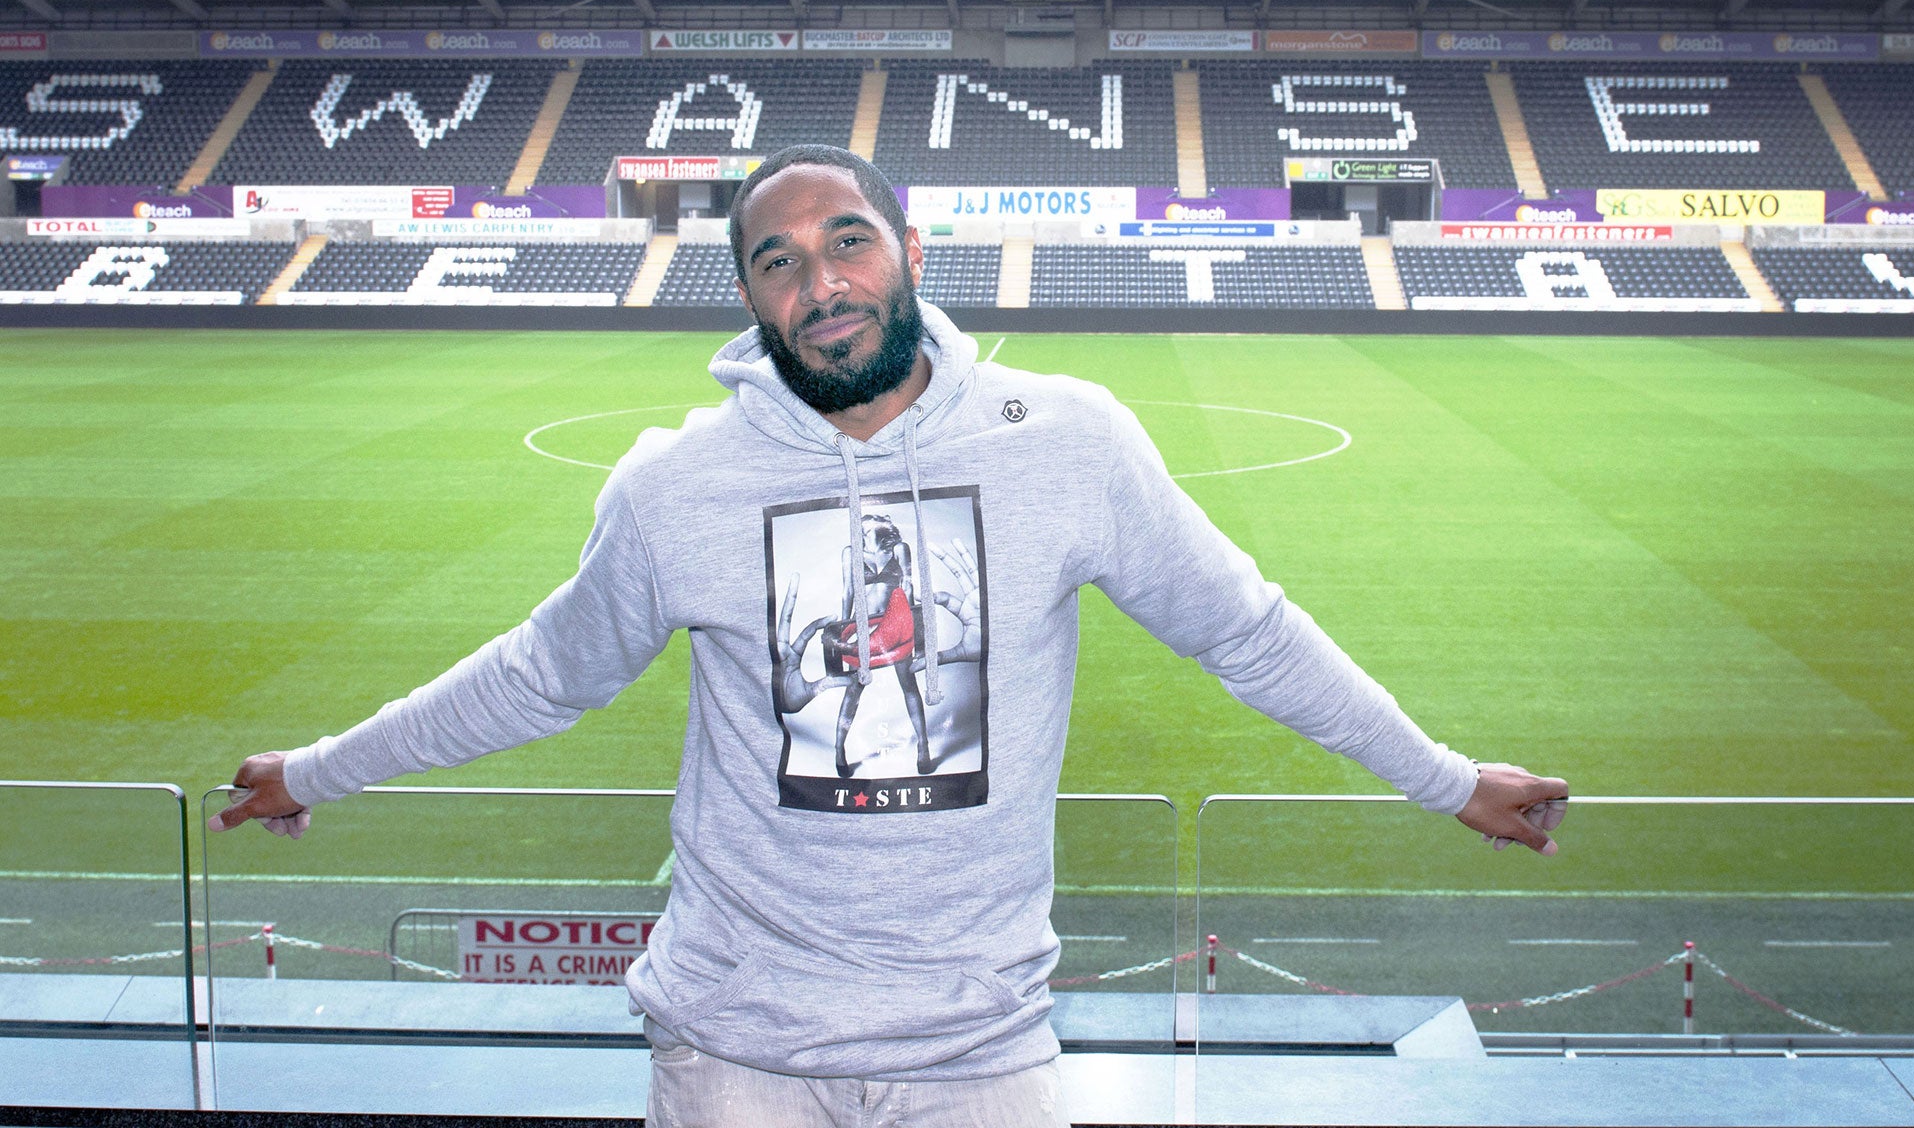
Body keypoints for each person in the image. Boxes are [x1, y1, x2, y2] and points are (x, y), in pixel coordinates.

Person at [213, 143, 1568, 1128]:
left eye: (848, 239)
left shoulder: (1070, 442)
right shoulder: (675, 487)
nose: (822, 279)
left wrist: (1448, 781)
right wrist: (317, 769)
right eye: (778, 259)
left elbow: (1248, 633)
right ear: (750, 297)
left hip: (983, 1045)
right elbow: (539, 675)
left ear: (913, 252)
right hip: (734, 1050)